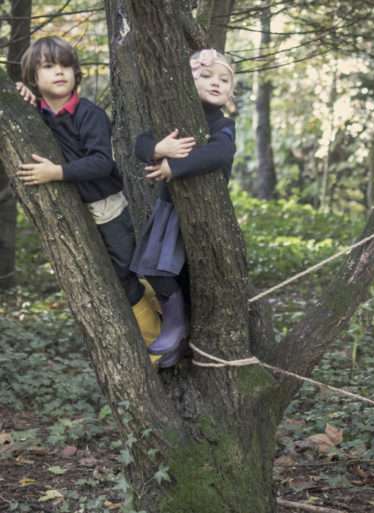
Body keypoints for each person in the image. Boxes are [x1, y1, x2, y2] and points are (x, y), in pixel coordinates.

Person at [15, 36, 161, 348]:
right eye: (49, 67)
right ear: (33, 77)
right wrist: (22, 96)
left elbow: (100, 163)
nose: (60, 72)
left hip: (107, 207)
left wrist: (56, 172)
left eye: (66, 66)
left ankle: (157, 339)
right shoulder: (37, 116)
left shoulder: (89, 113)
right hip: (78, 209)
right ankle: (152, 320)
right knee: (110, 276)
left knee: (125, 274)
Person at [131, 49, 236, 368]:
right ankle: (174, 323)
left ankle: (181, 333)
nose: (216, 83)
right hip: (168, 208)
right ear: (187, 83)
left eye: (224, 79)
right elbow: (141, 143)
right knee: (152, 267)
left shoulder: (222, 124)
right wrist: (159, 148)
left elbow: (221, 152)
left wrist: (175, 168)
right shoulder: (173, 119)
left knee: (189, 274)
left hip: (201, 214)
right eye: (206, 76)